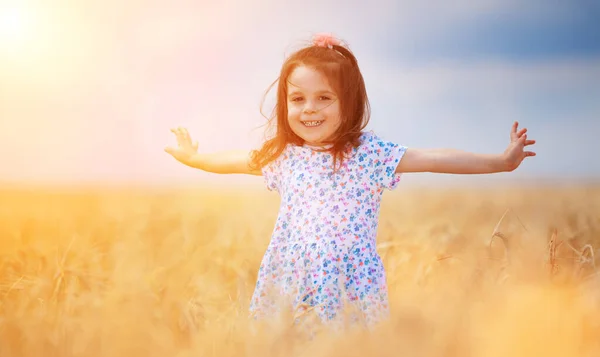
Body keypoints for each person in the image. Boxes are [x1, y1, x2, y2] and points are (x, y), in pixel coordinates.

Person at [164, 33, 536, 330]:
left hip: (350, 281)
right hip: (291, 274)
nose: (309, 108)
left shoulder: (369, 155)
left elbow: (435, 158)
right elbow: (236, 161)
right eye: (297, 98)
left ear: (350, 103)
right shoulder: (284, 157)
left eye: (324, 97)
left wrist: (501, 162)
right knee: (285, 355)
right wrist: (196, 159)